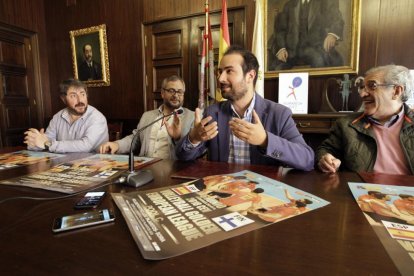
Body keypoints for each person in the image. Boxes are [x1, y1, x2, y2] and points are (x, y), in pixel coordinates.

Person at [175, 45, 314, 171]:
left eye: (229, 71)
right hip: (221, 192)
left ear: (250, 76)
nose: (221, 78)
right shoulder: (212, 113)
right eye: (220, 72)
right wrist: (194, 138)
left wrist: (265, 140)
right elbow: (182, 156)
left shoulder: (279, 114)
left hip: (261, 194)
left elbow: (307, 160)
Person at [317, 65, 414, 174]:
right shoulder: (346, 124)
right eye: (362, 87)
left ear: (396, 91)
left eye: (372, 86)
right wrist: (326, 158)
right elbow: (327, 150)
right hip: (362, 188)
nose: (362, 94)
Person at [99, 75, 194, 159]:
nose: (176, 95)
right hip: (145, 168)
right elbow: (135, 139)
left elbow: (193, 152)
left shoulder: (191, 117)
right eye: (171, 91)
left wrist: (177, 138)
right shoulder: (147, 116)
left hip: (174, 171)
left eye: (180, 92)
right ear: (162, 93)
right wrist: (117, 145)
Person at [24, 79, 108, 153]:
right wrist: (35, 141)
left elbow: (85, 146)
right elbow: (45, 141)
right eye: (73, 96)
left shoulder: (97, 117)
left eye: (83, 94)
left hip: (93, 166)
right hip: (64, 165)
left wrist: (47, 144)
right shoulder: (58, 117)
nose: (80, 100)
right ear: (63, 99)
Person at [269, 0, 344, 70]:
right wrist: (281, 48)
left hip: (316, 49)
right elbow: (280, 30)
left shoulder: (323, 2)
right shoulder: (290, 5)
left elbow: (337, 19)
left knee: (320, 63)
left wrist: (332, 35)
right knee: (276, 68)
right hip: (291, 51)